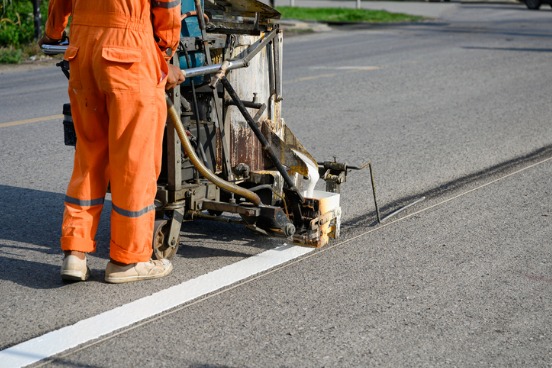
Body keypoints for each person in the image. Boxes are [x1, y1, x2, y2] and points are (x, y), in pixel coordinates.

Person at [38, 0, 185, 283]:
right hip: (129, 55)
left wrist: (54, 33)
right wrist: (165, 55)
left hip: (83, 53)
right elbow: (167, 6)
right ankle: (128, 260)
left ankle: (75, 252)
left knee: (89, 156)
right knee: (134, 163)